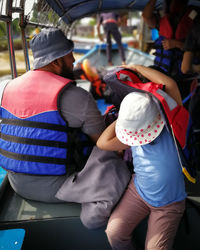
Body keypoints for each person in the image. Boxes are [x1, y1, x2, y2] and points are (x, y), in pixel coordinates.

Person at [0, 28, 105, 203]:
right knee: (116, 166)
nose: (73, 60)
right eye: (69, 55)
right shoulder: (77, 97)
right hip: (58, 188)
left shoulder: (5, 88)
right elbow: (103, 143)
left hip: (15, 184)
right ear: (56, 61)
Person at [97, 64, 186, 250]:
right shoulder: (134, 134)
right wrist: (125, 118)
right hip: (138, 192)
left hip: (169, 203)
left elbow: (168, 83)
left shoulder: (173, 125)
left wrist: (135, 67)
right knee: (114, 233)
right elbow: (102, 143)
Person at [142, 0, 198, 98]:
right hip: (161, 75)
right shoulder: (163, 21)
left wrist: (177, 44)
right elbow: (146, 16)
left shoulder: (195, 21)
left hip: (184, 80)